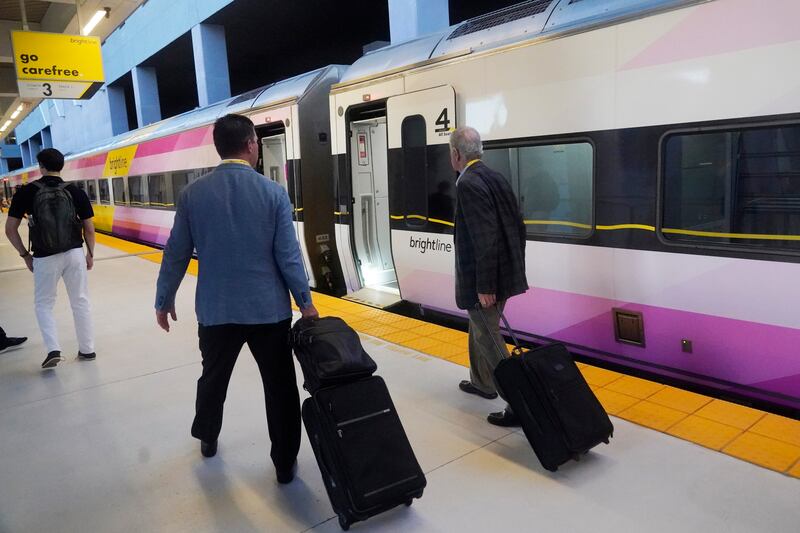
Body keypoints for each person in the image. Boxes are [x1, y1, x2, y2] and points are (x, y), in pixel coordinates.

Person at [154, 114, 318, 484]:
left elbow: (176, 252)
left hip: (216, 311)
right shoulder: (273, 193)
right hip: (268, 312)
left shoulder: (192, 194)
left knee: (213, 378)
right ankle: (284, 463)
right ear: (249, 144)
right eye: (257, 142)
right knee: (279, 387)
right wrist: (305, 302)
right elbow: (288, 256)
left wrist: (164, 299)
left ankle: (208, 437)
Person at [450, 126, 528, 427]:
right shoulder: (496, 177)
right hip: (503, 274)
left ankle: (519, 401)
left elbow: (485, 238)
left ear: (456, 154)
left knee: (488, 335)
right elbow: (517, 226)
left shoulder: (467, 183)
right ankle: (482, 382)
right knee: (479, 325)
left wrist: (486, 286)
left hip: (486, 280)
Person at [4, 148, 96, 369]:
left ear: (41, 167)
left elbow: (10, 229)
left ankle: (53, 349)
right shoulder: (75, 191)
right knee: (80, 301)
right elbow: (89, 229)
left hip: (44, 257)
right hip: (74, 253)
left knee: (44, 304)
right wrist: (90, 254)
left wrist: (25, 255)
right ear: (61, 166)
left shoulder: (26, 192)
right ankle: (87, 350)